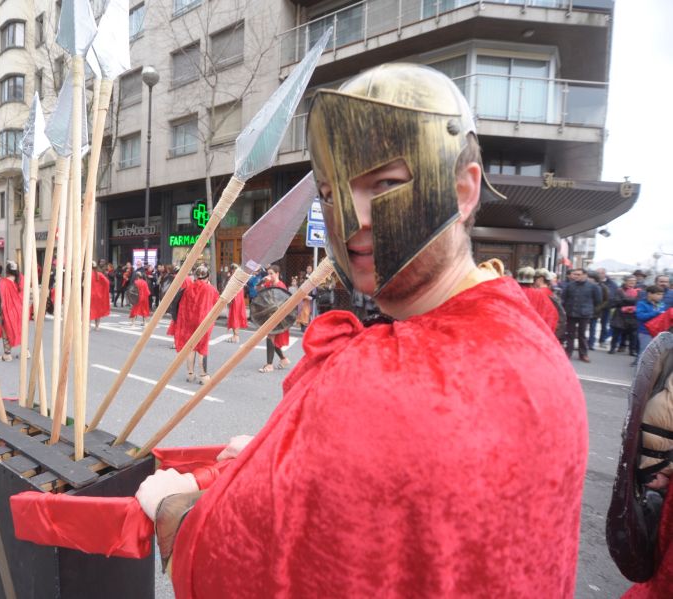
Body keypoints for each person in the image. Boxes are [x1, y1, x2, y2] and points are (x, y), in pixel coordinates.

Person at [135, 63, 587, 597]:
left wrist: (172, 507)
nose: (353, 218)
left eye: (386, 184)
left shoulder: (387, 379)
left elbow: (237, 566)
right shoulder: (523, 336)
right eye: (331, 192)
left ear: (464, 191)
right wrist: (278, 453)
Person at [174, 265, 219, 384]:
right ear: (207, 277)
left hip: (189, 321)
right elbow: (217, 304)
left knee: (190, 346)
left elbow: (182, 305)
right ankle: (203, 375)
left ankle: (190, 373)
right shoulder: (210, 289)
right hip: (203, 321)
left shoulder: (188, 288)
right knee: (202, 347)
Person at [561, 268, 601, 362]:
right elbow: (564, 298)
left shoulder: (593, 286)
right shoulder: (569, 285)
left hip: (585, 314)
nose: (575, 276)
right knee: (570, 334)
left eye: (578, 274)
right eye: (574, 274)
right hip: (571, 312)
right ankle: (568, 352)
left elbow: (598, 301)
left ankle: (583, 354)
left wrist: (589, 309)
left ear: (585, 275)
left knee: (582, 335)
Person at [257, 265, 290, 373]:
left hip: (278, 316)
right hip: (270, 314)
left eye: (271, 273)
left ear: (277, 274)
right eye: (268, 273)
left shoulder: (281, 286)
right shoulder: (269, 283)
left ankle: (269, 365)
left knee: (270, 338)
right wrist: (262, 281)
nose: (269, 275)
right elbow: (257, 289)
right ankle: (284, 359)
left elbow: (284, 303)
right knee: (272, 339)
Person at [0, 261, 23, 361]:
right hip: (19, 309)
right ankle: (25, 352)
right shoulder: (21, 279)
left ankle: (7, 354)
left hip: (8, 309)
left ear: (7, 270)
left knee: (6, 331)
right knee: (20, 330)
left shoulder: (3, 281)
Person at [635, 286, 667, 364]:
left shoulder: (662, 304)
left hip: (658, 332)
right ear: (649, 294)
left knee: (655, 355)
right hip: (645, 332)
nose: (660, 296)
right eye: (658, 294)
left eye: (662, 294)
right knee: (644, 353)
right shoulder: (642, 303)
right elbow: (640, 316)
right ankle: (639, 373)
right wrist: (655, 313)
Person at [610, 275, 640, 355]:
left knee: (633, 334)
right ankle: (613, 348)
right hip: (620, 315)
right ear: (625, 281)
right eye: (630, 281)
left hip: (633, 315)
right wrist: (631, 301)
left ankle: (632, 350)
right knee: (616, 333)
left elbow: (638, 301)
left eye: (634, 281)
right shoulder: (619, 290)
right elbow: (616, 302)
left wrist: (625, 300)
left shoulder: (639, 291)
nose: (632, 282)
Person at [596, 267, 619, 347]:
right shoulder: (594, 282)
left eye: (601, 273)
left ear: (604, 274)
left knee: (604, 324)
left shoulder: (612, 284)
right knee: (593, 324)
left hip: (606, 307)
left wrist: (610, 304)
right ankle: (591, 341)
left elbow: (613, 295)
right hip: (595, 307)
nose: (599, 275)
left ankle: (602, 340)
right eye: (598, 273)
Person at [225, 263, 247, 342]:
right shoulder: (239, 278)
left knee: (234, 317)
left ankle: (236, 336)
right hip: (238, 298)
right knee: (236, 316)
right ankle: (236, 335)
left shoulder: (234, 278)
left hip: (235, 299)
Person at [89, 262, 111, 330]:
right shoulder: (99, 274)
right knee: (97, 311)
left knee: (89, 311)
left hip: (89, 295)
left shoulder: (87, 274)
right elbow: (107, 282)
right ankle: (97, 326)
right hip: (98, 296)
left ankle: (88, 326)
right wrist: (102, 289)